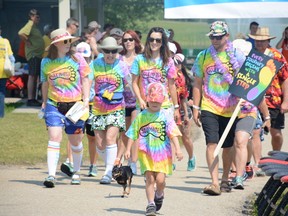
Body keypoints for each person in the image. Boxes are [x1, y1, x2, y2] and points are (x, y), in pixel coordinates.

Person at [192, 21, 246, 195]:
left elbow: (247, 80)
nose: (215, 40)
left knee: (228, 146)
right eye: (213, 37)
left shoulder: (237, 56)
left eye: (219, 36)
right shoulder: (203, 56)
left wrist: (246, 99)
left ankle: (224, 179)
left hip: (230, 107)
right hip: (209, 106)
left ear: (226, 36)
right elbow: (197, 83)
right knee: (211, 143)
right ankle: (214, 182)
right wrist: (196, 107)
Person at [40, 28, 90, 188]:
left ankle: (76, 172)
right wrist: (44, 101)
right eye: (65, 41)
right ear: (55, 44)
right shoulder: (46, 62)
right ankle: (51, 175)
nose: (68, 44)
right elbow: (45, 83)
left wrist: (86, 100)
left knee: (75, 142)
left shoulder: (78, 59)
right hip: (54, 105)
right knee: (54, 137)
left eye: (70, 41)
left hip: (75, 105)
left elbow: (86, 79)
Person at [124, 82, 183, 216]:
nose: (155, 103)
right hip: (146, 153)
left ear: (162, 101)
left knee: (160, 180)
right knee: (150, 179)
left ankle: (159, 194)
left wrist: (178, 149)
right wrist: (127, 149)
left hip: (163, 154)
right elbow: (133, 133)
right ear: (147, 100)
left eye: (158, 101)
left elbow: (173, 133)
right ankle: (151, 204)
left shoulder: (166, 116)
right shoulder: (142, 116)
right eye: (152, 101)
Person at [90, 37, 129, 184]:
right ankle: (114, 165)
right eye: (107, 51)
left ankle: (108, 173)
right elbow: (87, 81)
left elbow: (130, 83)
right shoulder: (94, 64)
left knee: (110, 139)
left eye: (113, 51)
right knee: (100, 144)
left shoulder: (122, 65)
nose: (110, 54)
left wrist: (138, 100)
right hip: (98, 107)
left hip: (116, 106)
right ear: (102, 51)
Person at [248, 27, 288, 151]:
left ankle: (276, 155)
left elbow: (285, 78)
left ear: (268, 41)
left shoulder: (277, 56)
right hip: (254, 100)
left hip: (274, 99)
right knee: (254, 132)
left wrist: (286, 101)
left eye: (262, 40)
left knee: (275, 133)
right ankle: (255, 163)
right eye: (257, 40)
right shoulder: (251, 54)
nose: (259, 43)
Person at [131, 27, 180, 122]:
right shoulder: (139, 59)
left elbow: (172, 85)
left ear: (162, 43)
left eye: (158, 40)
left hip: (163, 105)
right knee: (146, 136)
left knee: (162, 136)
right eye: (151, 39)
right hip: (145, 105)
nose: (154, 42)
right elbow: (134, 83)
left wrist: (176, 107)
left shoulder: (168, 61)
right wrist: (140, 100)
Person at [114, 30, 142, 174]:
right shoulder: (119, 59)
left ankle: (133, 162)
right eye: (125, 40)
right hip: (122, 100)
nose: (128, 42)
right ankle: (119, 159)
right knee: (124, 132)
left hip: (137, 101)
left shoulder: (141, 58)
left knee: (135, 131)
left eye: (131, 39)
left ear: (136, 41)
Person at [76, 41, 98, 177]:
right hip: (77, 105)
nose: (84, 60)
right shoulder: (73, 67)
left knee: (92, 136)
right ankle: (72, 163)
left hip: (91, 105)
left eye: (86, 57)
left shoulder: (93, 67)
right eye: (81, 57)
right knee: (75, 135)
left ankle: (93, 164)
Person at [173, 53, 195, 171]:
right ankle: (171, 162)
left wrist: (186, 114)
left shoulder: (184, 78)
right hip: (170, 108)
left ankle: (191, 157)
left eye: (178, 63)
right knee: (171, 135)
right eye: (174, 63)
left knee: (185, 137)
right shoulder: (167, 76)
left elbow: (183, 97)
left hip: (183, 109)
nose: (176, 65)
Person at [18, 9, 44, 106]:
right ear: (32, 17)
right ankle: (30, 99)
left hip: (36, 55)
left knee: (35, 76)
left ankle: (33, 98)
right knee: (32, 76)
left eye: (39, 17)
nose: (39, 19)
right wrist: (27, 40)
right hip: (33, 55)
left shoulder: (33, 26)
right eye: (37, 17)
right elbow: (21, 33)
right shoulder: (30, 24)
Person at [0, 25, 15, 118]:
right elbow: (12, 58)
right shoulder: (5, 42)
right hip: (3, 71)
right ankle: (1, 114)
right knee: (1, 93)